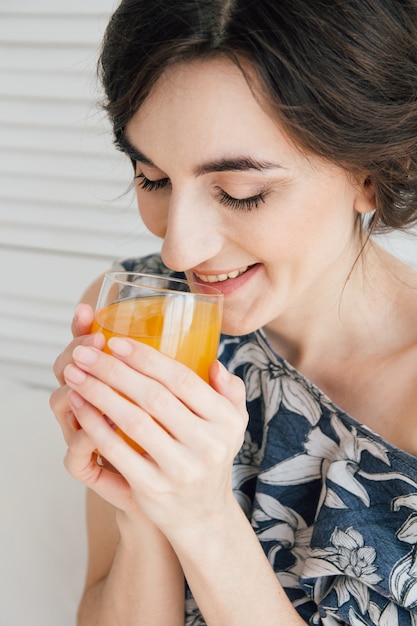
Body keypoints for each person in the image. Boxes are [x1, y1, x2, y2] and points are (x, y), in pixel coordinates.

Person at [49, 0, 417, 624]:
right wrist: (144, 511)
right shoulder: (141, 313)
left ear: (375, 172)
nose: (179, 248)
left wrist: (204, 520)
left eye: (241, 193)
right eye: (153, 178)